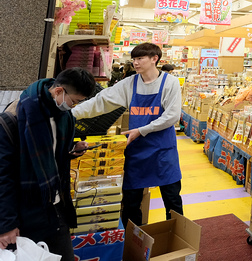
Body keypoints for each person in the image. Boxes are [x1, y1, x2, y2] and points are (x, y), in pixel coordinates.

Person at [72, 42, 184, 226]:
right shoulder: (130, 83)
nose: (136, 63)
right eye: (134, 59)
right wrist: (70, 113)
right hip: (137, 152)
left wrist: (141, 130)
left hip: (163, 152)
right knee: (131, 203)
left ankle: (178, 239)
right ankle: (134, 244)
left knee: (172, 200)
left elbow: (172, 117)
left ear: (154, 59)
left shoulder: (169, 83)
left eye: (140, 58)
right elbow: (101, 101)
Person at [0, 68, 96, 259]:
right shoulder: (14, 119)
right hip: (26, 212)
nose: (74, 106)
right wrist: (7, 225)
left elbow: (54, 154)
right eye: (75, 101)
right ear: (59, 91)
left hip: (56, 206)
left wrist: (73, 149)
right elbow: (3, 178)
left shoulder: (64, 116)